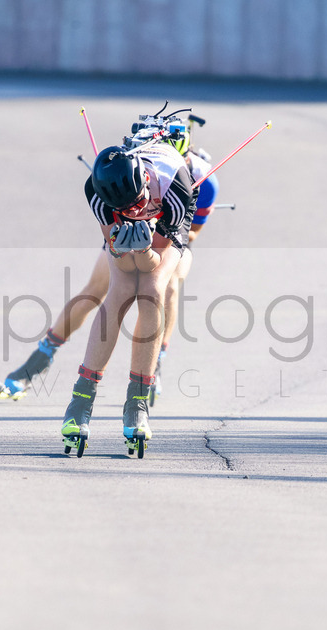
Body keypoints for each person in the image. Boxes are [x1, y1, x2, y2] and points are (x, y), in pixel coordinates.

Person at [0, 121, 219, 404]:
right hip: (128, 224)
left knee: (166, 285)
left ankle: (156, 360)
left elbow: (192, 232)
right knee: (97, 288)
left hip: (170, 232)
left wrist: (154, 230)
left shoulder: (201, 179)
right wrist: (127, 235)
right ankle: (39, 359)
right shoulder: (128, 166)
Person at [58, 127, 202, 449]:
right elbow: (123, 266)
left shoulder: (177, 185)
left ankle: (136, 404)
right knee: (120, 292)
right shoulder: (97, 194)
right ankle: (80, 403)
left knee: (151, 291)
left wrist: (145, 248)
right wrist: (122, 248)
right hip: (127, 218)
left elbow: (152, 264)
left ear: (145, 182)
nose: (136, 213)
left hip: (167, 216)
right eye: (127, 210)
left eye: (138, 204)